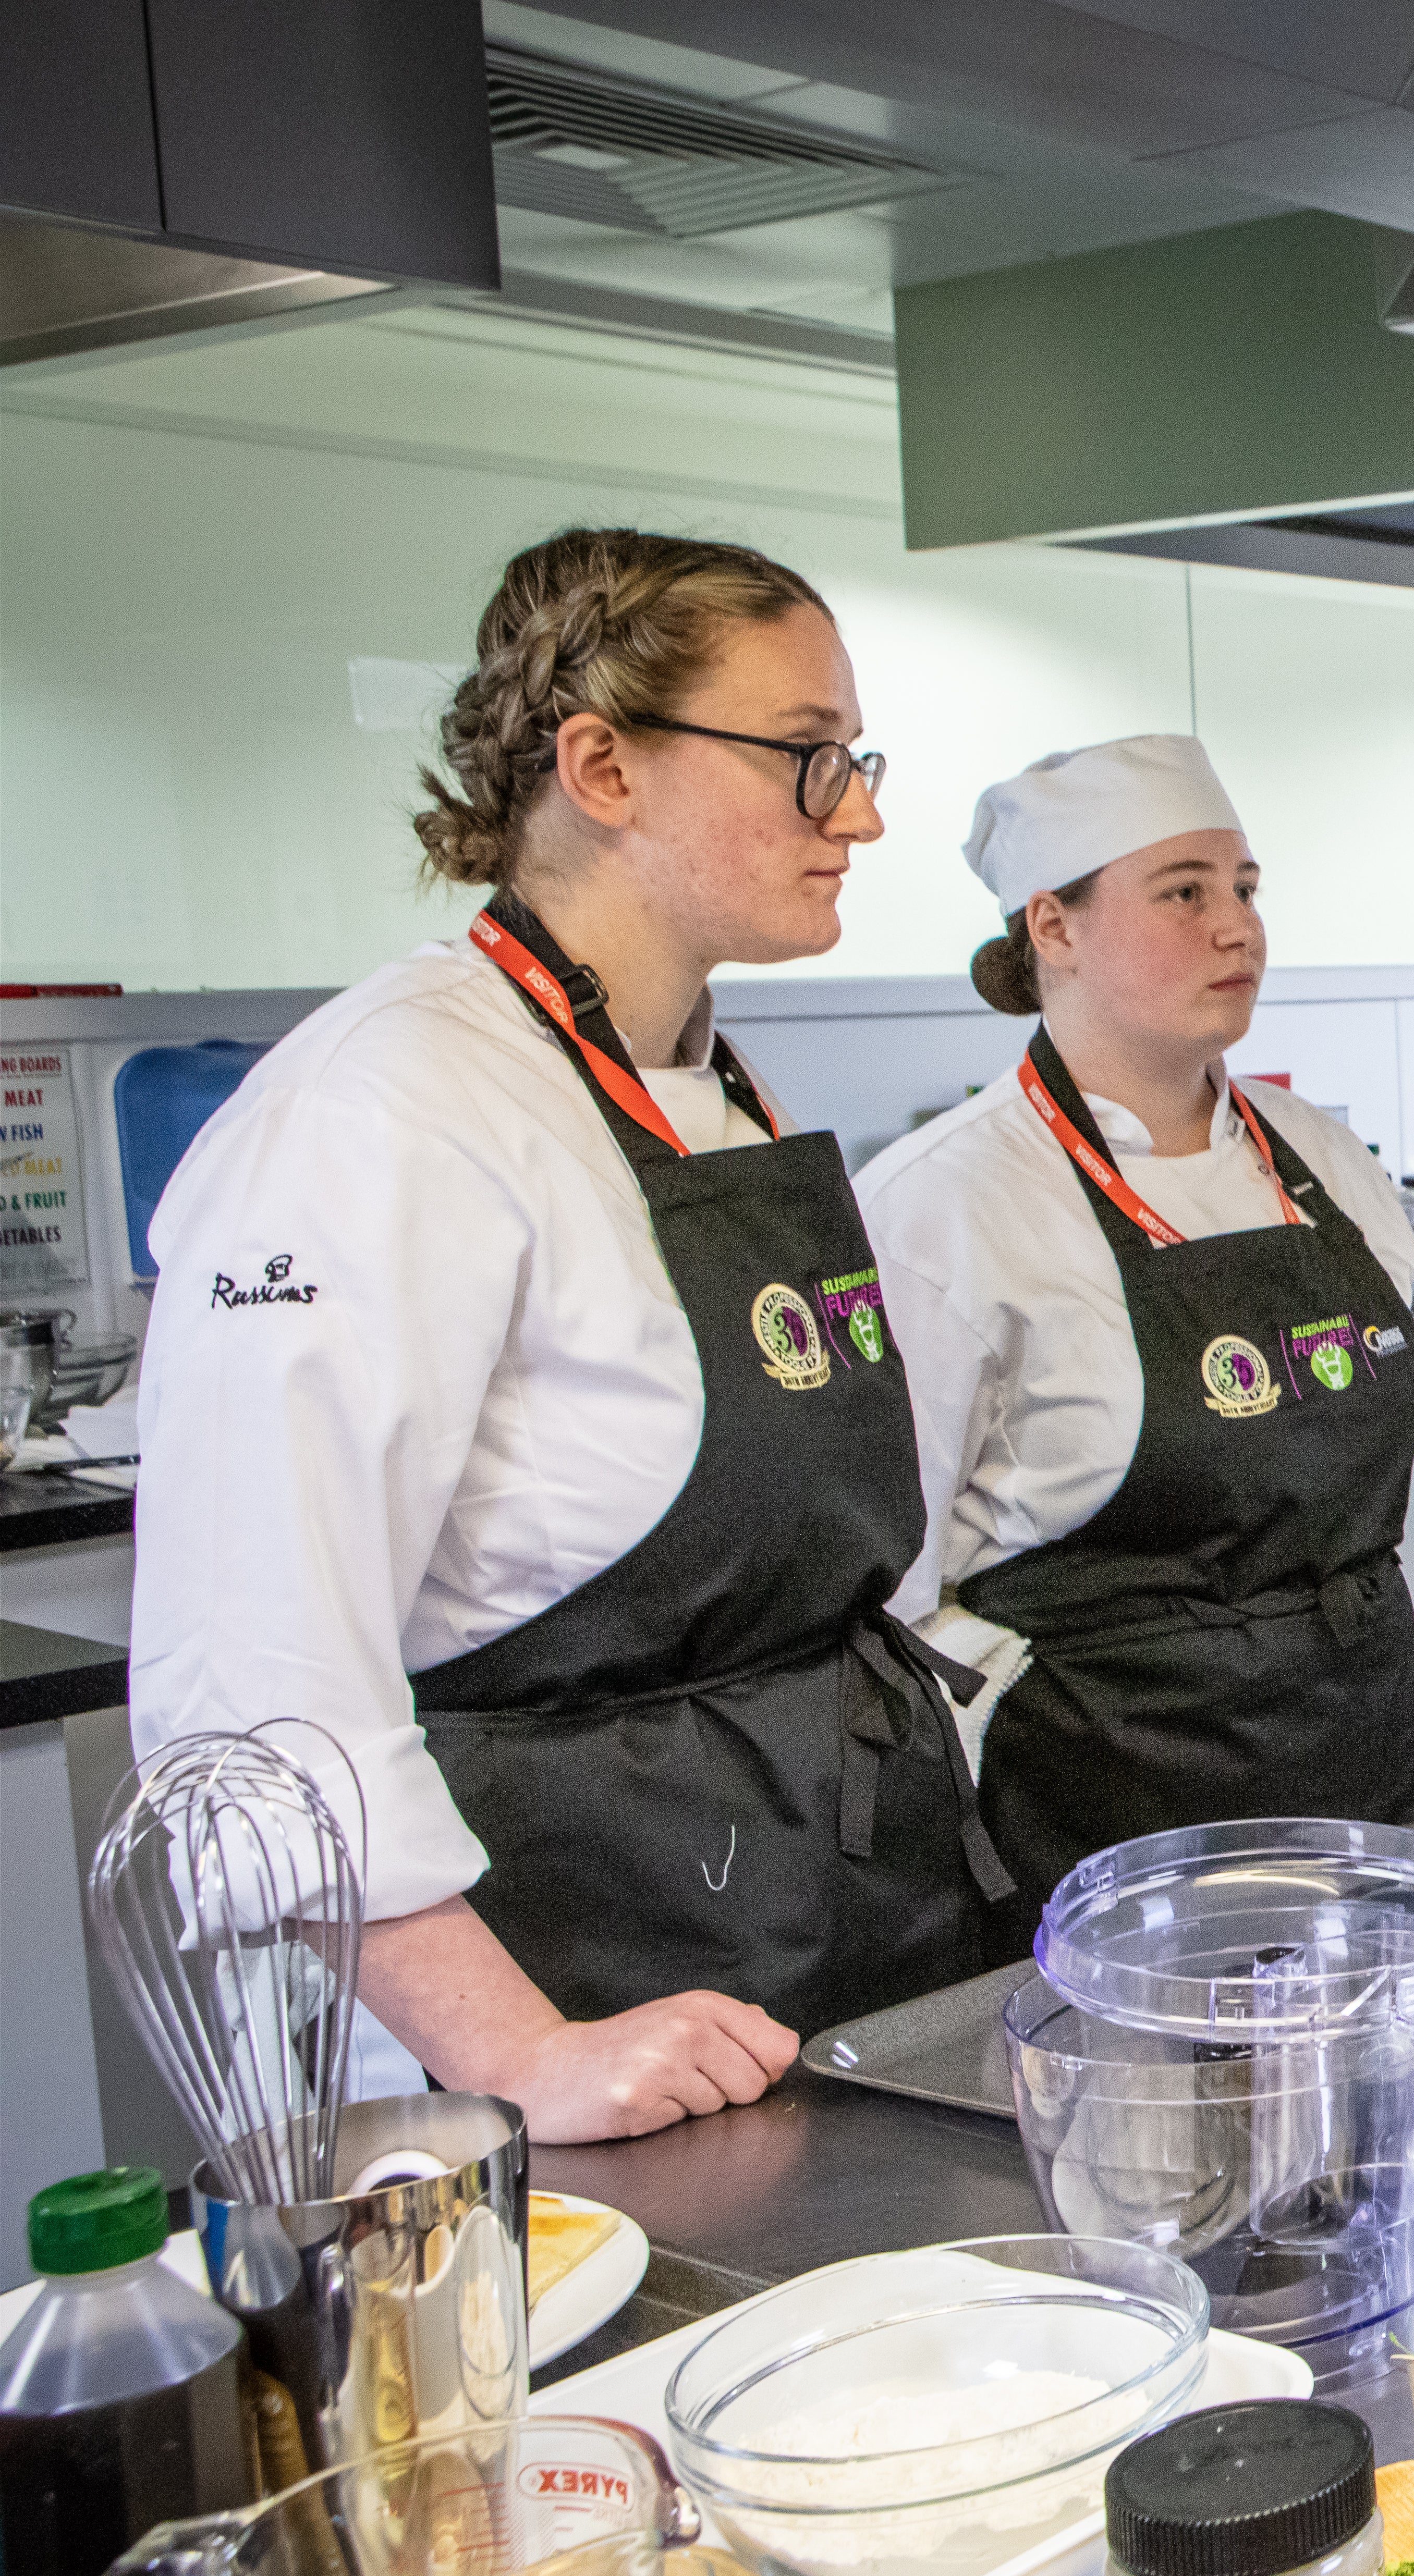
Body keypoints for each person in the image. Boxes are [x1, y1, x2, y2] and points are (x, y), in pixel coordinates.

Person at [131, 528, 1013, 2143]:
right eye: (810, 760)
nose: (862, 815)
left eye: (855, 760)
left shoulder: (709, 1086)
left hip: (829, 1945)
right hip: (580, 2010)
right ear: (601, 764)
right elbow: (256, 1692)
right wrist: (525, 2056)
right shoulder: (382, 1110)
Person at [859, 737, 1414, 1888]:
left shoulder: (1320, 1156)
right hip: (1103, 1799)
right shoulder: (944, 1205)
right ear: (1053, 929)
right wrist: (1008, 1702)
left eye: (1245, 889)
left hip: (1351, 1751)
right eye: (1184, 893)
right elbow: (881, 1576)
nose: (1238, 928)